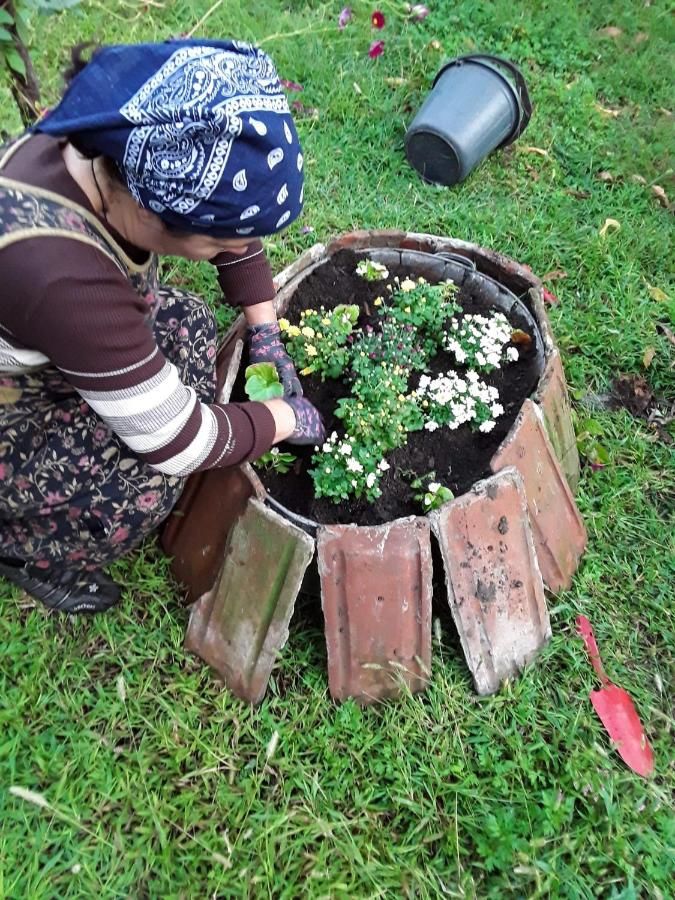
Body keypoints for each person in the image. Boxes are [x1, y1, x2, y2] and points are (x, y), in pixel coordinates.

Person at [0, 38, 326, 614]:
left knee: (191, 324)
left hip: (42, 355)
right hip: (13, 420)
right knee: (144, 486)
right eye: (216, 244)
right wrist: (282, 417)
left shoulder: (113, 138)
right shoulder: (63, 277)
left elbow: (233, 220)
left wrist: (265, 331)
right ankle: (26, 548)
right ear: (150, 211)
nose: (231, 250)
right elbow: (176, 443)